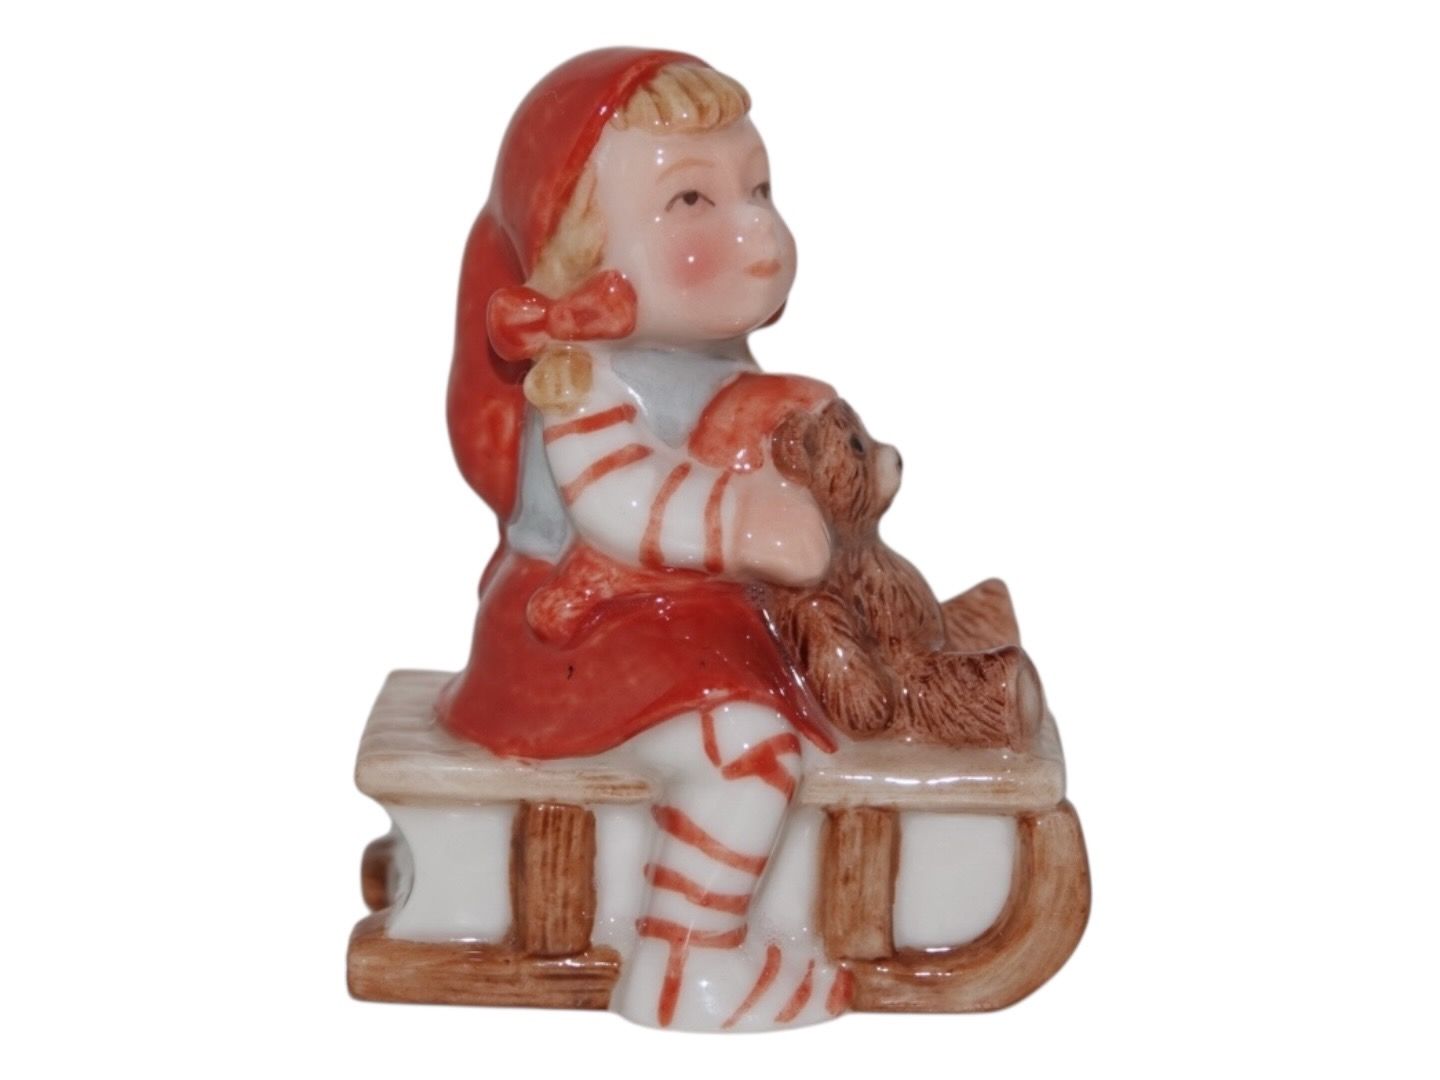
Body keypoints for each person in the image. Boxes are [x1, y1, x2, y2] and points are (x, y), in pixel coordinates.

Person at [440, 47, 852, 1031]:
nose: (757, 227)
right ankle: (685, 964)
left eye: (757, 189)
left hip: (682, 619)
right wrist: (744, 521)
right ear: (581, 249)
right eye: (692, 201)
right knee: (744, 748)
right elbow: (619, 500)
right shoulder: (580, 376)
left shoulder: (714, 365)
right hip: (575, 630)